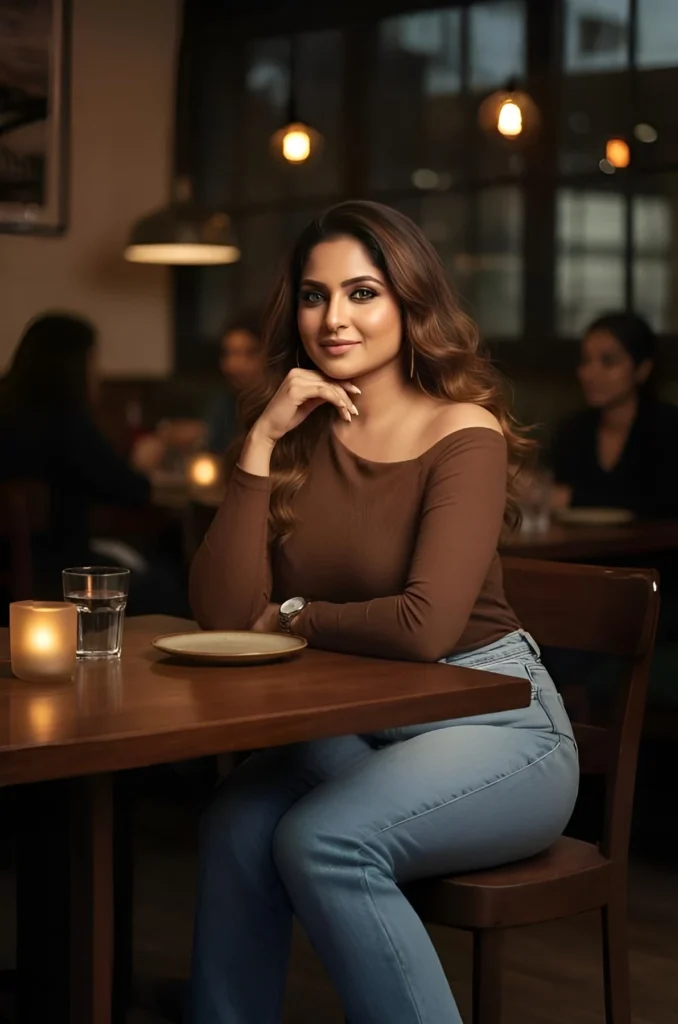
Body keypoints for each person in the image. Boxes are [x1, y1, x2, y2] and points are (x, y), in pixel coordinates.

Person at [187, 201, 579, 1024]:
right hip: (353, 722)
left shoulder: (461, 430)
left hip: (496, 722)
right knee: (232, 823)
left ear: (408, 303)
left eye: (362, 293)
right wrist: (259, 442)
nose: (334, 318)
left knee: (323, 840)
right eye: (313, 295)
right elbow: (224, 617)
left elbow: (425, 625)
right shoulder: (294, 433)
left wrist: (291, 616)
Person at [0, 312, 187, 615]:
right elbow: (130, 490)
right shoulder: (64, 421)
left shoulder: (9, 410)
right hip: (61, 578)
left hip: (9, 583)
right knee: (168, 580)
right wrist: (141, 465)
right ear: (78, 365)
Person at [549, 311, 678, 517]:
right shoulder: (573, 431)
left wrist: (573, 498)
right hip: (580, 547)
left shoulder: (670, 427)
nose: (589, 374)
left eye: (608, 361)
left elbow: (666, 501)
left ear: (642, 369)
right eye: (585, 361)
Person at [203, 311, 266, 453]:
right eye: (228, 354)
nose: (233, 365)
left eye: (249, 353)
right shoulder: (225, 403)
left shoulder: (284, 405)